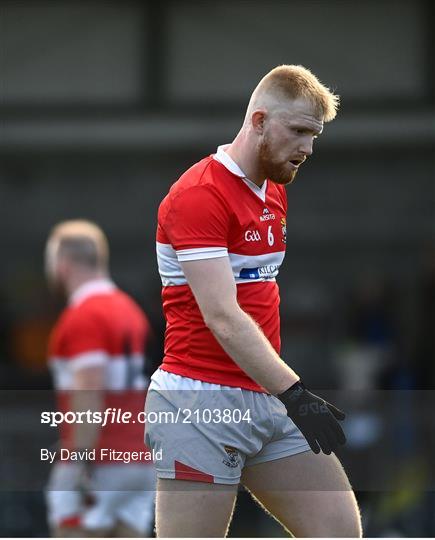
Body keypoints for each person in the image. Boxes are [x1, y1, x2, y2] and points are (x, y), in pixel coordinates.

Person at [145, 64, 362, 537]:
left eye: (315, 136)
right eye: (300, 131)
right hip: (199, 405)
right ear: (259, 121)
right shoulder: (200, 194)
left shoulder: (274, 191)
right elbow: (222, 317)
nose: (307, 148)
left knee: (339, 532)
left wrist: (281, 395)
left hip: (263, 398)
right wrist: (296, 394)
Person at [45, 220, 155, 537]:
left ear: (61, 264)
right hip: (140, 458)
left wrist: (79, 459)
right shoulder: (130, 309)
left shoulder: (84, 315)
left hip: (103, 459)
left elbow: (89, 389)